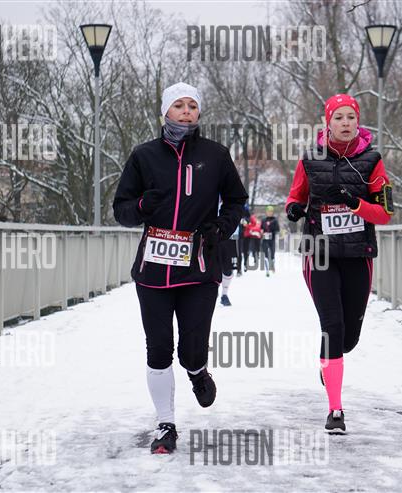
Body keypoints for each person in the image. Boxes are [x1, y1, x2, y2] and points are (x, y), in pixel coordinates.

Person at [113, 82, 248, 454]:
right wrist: (142, 206)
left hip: (198, 267)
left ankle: (197, 370)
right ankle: (165, 424)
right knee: (158, 349)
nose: (186, 111)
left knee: (192, 348)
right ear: (165, 112)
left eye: (192, 105)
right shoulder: (144, 156)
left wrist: (220, 227)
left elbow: (236, 200)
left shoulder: (215, 155)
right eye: (178, 105)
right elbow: (121, 210)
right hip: (153, 270)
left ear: (199, 113)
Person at [285, 93, 393, 433]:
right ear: (327, 122)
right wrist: (293, 208)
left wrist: (354, 202)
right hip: (319, 253)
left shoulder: (372, 160)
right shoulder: (310, 158)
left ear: (358, 121)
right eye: (339, 117)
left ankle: (329, 362)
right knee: (332, 326)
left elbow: (385, 213)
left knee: (348, 339)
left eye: (351, 117)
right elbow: (296, 195)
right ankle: (335, 410)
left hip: (358, 255)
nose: (345, 123)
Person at [218, 225, 239, 305]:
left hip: (231, 238)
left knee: (228, 269)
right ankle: (214, 289)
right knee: (214, 267)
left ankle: (224, 294)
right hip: (214, 237)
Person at [260, 205, 280, 276]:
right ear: (266, 212)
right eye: (268, 211)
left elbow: (277, 229)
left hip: (272, 239)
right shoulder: (263, 220)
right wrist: (262, 231)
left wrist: (273, 231)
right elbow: (261, 228)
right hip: (265, 239)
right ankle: (267, 270)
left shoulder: (275, 220)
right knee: (265, 254)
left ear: (272, 212)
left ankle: (272, 265)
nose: (269, 213)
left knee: (272, 254)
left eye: (271, 211)